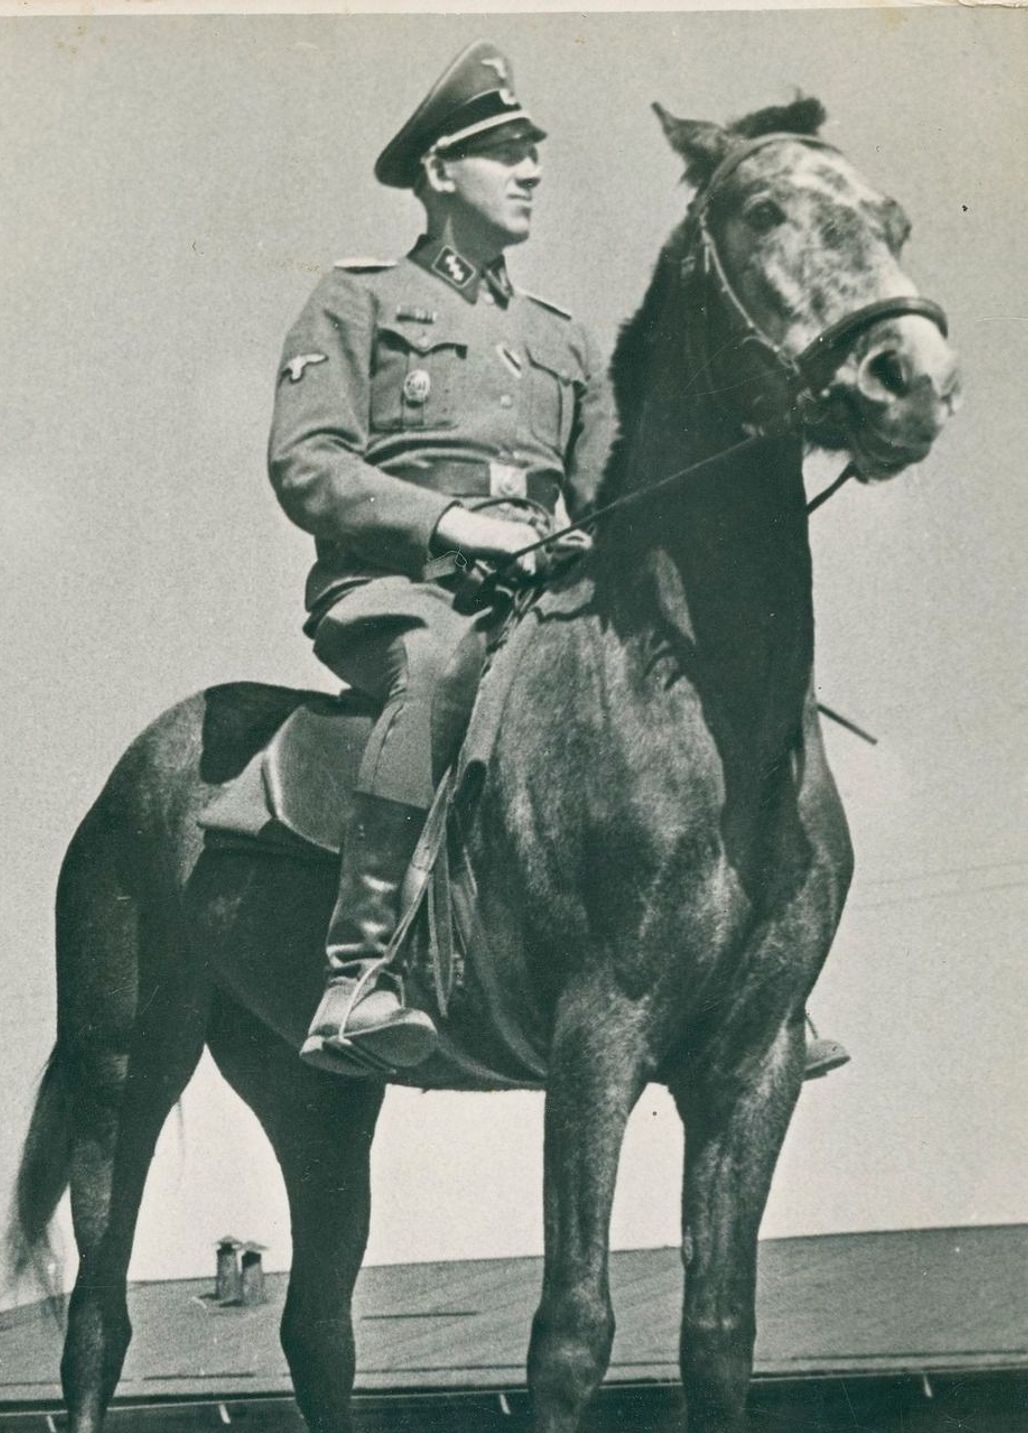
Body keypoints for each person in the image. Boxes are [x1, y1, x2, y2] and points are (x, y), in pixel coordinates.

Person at [269, 41, 849, 1082]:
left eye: (533, 152)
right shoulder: (356, 301)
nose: (531, 169)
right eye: (504, 152)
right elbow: (307, 463)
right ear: (440, 172)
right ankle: (359, 971)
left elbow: (603, 496)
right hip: (405, 594)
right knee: (436, 668)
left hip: (538, 604)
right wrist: (453, 526)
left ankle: (756, 981)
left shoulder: (565, 340)